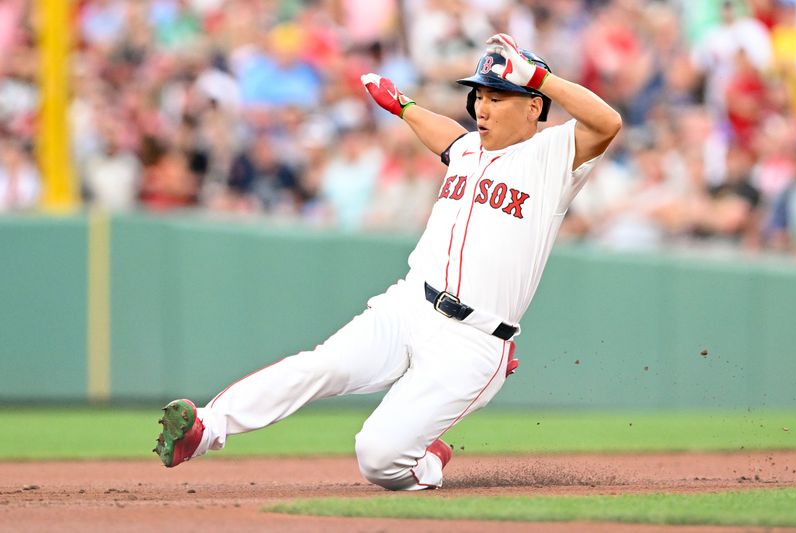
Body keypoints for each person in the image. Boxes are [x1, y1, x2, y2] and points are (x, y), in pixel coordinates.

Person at [153, 33, 621, 490]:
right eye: (479, 94)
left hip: (474, 341)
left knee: (377, 458)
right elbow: (446, 137)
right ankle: (206, 428)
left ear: (534, 104)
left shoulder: (552, 156)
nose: (483, 106)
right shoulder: (468, 150)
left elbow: (607, 123)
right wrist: (404, 106)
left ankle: (426, 460)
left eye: (498, 95)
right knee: (321, 365)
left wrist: (538, 75)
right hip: (410, 305)